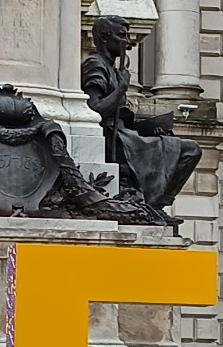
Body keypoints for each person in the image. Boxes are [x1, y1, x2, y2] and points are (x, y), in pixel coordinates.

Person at [82, 14, 202, 216]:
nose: (127, 42)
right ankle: (155, 205)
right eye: (121, 35)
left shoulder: (111, 67)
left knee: (189, 149)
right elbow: (95, 109)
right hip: (112, 138)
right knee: (190, 150)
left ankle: (157, 204)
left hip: (124, 134)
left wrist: (147, 126)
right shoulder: (95, 64)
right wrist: (122, 87)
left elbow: (120, 113)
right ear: (104, 37)